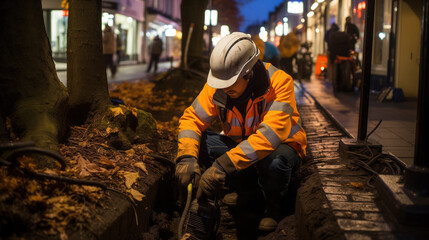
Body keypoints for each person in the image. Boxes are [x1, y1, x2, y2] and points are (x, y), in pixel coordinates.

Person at [175, 32, 307, 232]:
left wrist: (221, 166)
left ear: (249, 72)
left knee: (274, 163)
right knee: (201, 143)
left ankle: (275, 209)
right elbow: (191, 119)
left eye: (229, 82)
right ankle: (249, 192)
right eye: (220, 83)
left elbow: (268, 137)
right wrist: (186, 157)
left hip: (281, 148)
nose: (223, 88)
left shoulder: (280, 82)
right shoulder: (218, 85)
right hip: (244, 150)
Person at [328, 27, 353, 92]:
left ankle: (337, 87)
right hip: (345, 56)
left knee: (335, 73)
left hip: (336, 56)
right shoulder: (346, 37)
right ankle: (345, 86)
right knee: (345, 73)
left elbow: (330, 48)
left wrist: (332, 58)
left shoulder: (332, 37)